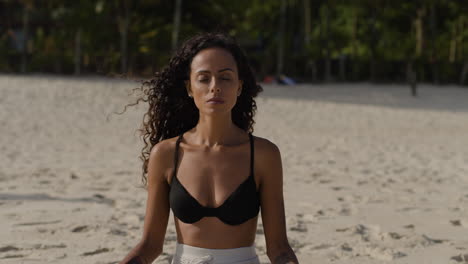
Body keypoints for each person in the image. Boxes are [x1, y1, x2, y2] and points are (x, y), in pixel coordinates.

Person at [118, 32, 299, 264]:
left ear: (239, 86)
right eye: (204, 78)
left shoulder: (263, 155)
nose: (215, 87)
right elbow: (150, 245)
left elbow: (278, 248)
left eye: (225, 78)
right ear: (189, 87)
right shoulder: (165, 155)